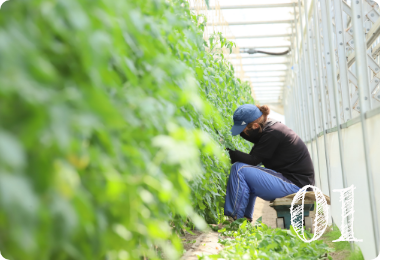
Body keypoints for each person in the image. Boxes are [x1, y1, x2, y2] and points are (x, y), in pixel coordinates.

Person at [224, 104, 315, 222]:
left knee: (239, 169)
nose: (243, 135)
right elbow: (252, 163)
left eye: (244, 131)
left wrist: (226, 151)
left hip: (296, 186)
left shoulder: (273, 132)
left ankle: (234, 219)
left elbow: (253, 160)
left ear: (255, 126)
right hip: (292, 181)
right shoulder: (270, 128)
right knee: (246, 172)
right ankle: (244, 219)